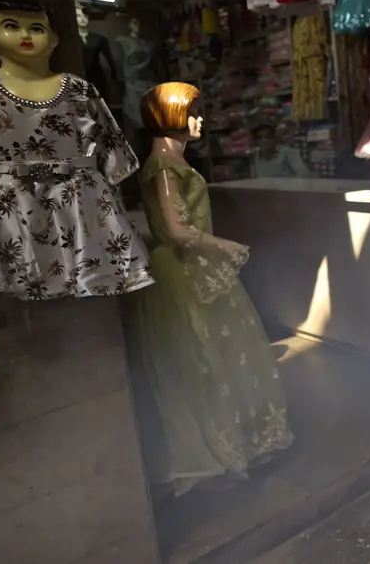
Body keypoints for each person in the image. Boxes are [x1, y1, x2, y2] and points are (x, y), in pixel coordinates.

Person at [124, 83, 293, 496]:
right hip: (184, 272)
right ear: (172, 116)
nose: (200, 120)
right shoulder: (165, 166)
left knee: (224, 357)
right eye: (192, 112)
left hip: (195, 269)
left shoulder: (171, 162)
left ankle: (239, 445)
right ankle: (217, 454)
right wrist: (225, 246)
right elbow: (179, 229)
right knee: (207, 360)